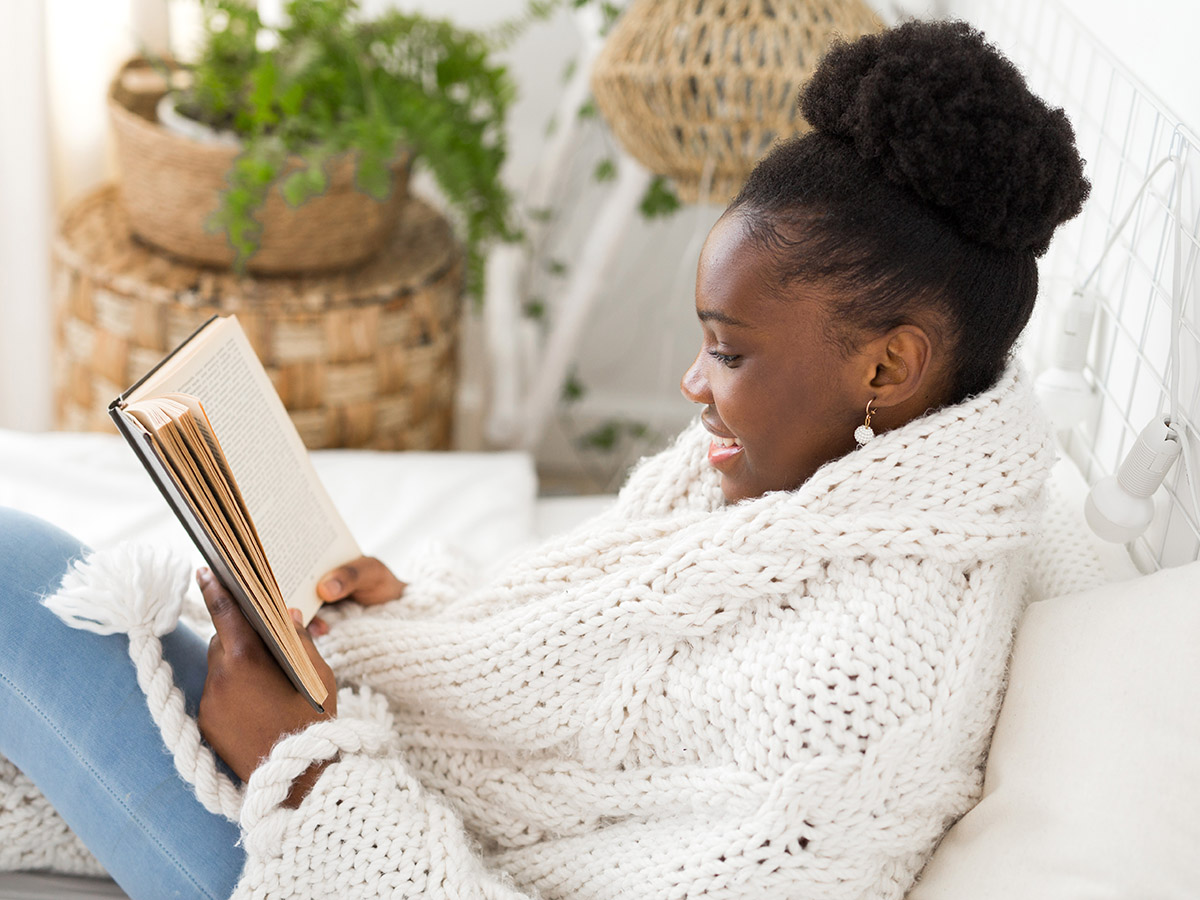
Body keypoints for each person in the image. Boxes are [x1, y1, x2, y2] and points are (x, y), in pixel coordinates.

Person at [0, 19, 1088, 900]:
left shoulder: (870, 694)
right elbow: (574, 661)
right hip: (352, 793)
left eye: (727, 349)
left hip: (316, 855)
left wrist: (313, 769)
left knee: (15, 578)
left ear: (890, 367)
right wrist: (408, 617)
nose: (693, 385)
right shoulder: (809, 482)